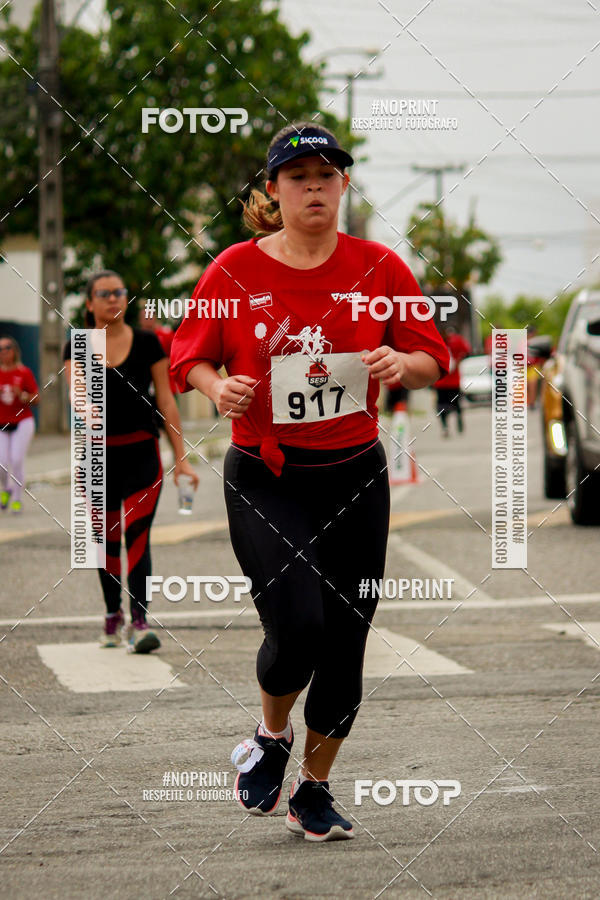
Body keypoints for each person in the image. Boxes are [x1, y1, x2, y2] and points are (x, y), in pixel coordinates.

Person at [170, 123, 449, 841]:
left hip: (355, 475)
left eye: (327, 175)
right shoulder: (232, 270)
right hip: (268, 475)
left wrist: (399, 363)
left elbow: (433, 357)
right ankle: (271, 737)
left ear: (344, 187)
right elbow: (188, 359)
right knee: (298, 626)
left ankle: (314, 791)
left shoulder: (381, 267)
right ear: (273, 190)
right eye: (299, 177)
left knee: (348, 641)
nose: (315, 187)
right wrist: (217, 384)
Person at [63, 272, 199, 652]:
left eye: (119, 292)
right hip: (98, 457)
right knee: (106, 540)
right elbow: (76, 394)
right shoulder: (80, 344)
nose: (112, 299)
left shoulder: (147, 341)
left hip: (142, 454)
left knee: (138, 536)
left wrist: (181, 461)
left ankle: (139, 622)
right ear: (89, 303)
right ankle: (112, 616)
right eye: (103, 294)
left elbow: (168, 401)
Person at [0, 335, 39, 513]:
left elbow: (36, 398)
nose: (3, 352)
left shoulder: (23, 372)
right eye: (0, 349)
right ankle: (6, 488)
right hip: (2, 423)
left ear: (14, 351)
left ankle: (16, 498)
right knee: (2, 462)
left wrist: (22, 394)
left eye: (6, 348)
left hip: (22, 421)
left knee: (16, 459)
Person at [433, 326, 471, 437]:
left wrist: (458, 360)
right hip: (441, 382)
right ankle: (446, 426)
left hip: (452, 381)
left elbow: (466, 352)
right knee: (442, 406)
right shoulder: (437, 341)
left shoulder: (455, 340)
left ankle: (458, 420)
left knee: (455, 404)